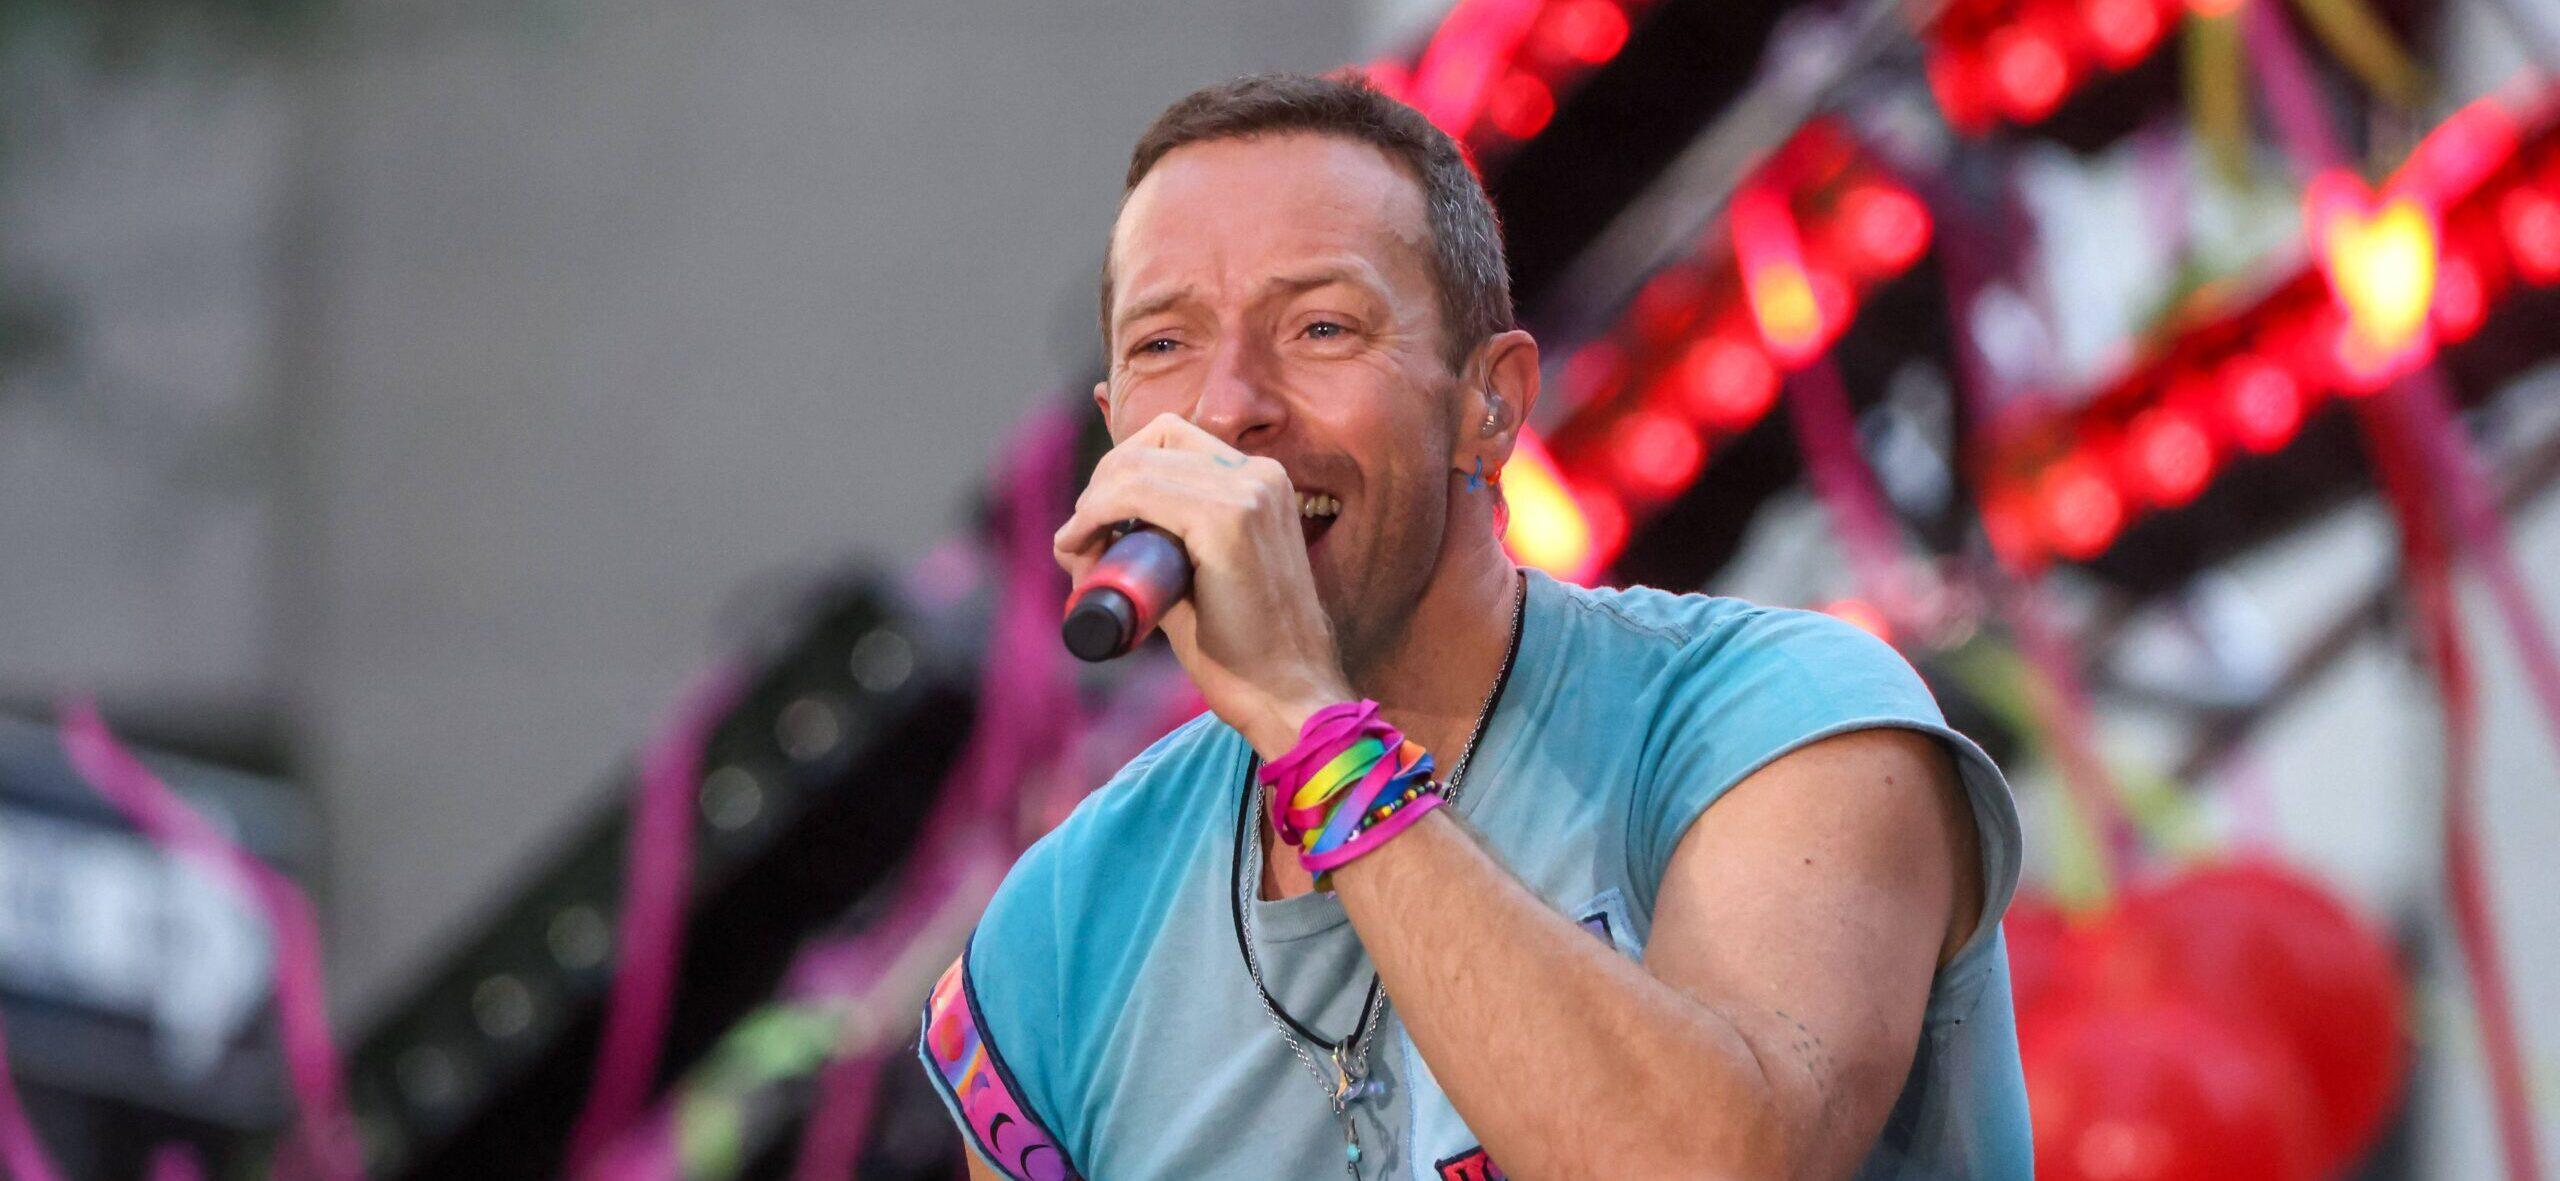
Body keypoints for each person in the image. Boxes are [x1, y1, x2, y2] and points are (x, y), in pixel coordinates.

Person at [918, 72, 2029, 1180]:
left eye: (1319, 325)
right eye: (1163, 345)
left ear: (1487, 402)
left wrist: (1310, 727)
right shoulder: (1053, 934)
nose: (1227, 406)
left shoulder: (1791, 722)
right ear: (1114, 432)